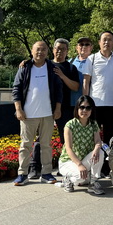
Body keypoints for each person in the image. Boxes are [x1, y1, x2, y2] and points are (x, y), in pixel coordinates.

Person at [11, 41, 63, 186]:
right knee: (25, 145)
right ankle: (22, 174)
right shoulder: (25, 67)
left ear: (47, 52)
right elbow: (16, 89)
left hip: (47, 114)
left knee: (46, 145)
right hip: (28, 115)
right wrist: (18, 109)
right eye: (38, 49)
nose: (40, 52)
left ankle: (46, 173)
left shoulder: (52, 68)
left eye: (44, 49)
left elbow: (59, 90)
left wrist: (57, 108)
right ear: (32, 51)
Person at [28, 38, 80, 178]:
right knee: (41, 138)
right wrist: (25, 62)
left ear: (67, 51)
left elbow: (75, 87)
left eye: (63, 49)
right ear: (53, 49)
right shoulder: (46, 65)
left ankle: (65, 166)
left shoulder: (71, 68)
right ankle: (34, 167)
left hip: (65, 108)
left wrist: (62, 76)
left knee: (66, 138)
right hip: (45, 107)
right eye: (57, 48)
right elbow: (32, 63)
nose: (60, 51)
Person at [58, 95, 105, 195]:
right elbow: (68, 148)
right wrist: (79, 165)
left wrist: (97, 148)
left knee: (100, 152)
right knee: (80, 178)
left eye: (88, 108)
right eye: (82, 107)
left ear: (92, 110)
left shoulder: (93, 124)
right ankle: (67, 179)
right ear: (77, 108)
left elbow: (98, 141)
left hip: (84, 160)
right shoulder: (70, 125)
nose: (85, 110)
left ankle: (93, 182)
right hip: (69, 161)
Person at [87, 31, 113, 144]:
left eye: (110, 39)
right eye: (104, 40)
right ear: (99, 42)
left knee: (110, 136)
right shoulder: (91, 59)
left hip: (112, 104)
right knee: (93, 136)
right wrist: (85, 102)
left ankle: (108, 156)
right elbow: (86, 82)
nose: (107, 42)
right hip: (95, 103)